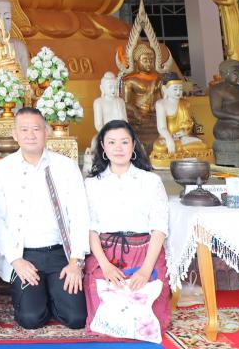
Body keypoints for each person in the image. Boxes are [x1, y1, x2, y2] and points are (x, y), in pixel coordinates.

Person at [0, 107, 89, 330]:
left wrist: (76, 261)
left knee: (76, 318)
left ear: (46, 132)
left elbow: (79, 214)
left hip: (60, 253)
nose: (30, 135)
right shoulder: (2, 169)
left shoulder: (66, 166)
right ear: (15, 134)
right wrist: (16, 260)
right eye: (24, 129)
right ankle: (40, 295)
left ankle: (52, 293)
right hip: (24, 254)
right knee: (30, 318)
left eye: (36, 129)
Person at [84, 119, 170, 332]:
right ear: (103, 147)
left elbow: (159, 228)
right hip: (105, 254)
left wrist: (145, 270)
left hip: (145, 252)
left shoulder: (151, 181)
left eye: (124, 142)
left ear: (133, 145)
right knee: (108, 321)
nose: (118, 148)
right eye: (111, 142)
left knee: (150, 322)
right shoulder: (92, 184)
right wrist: (105, 266)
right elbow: (90, 229)